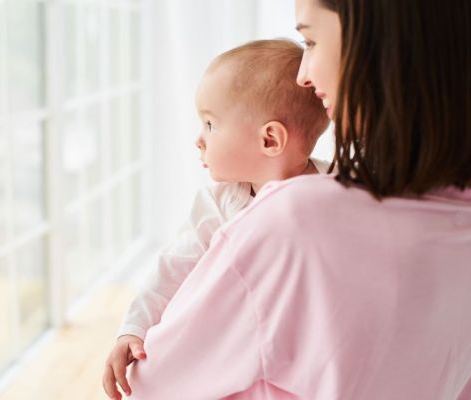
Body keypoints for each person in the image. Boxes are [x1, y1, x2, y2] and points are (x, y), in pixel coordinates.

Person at [124, 0, 471, 399]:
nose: (304, 75)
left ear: (378, 44)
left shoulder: (293, 220)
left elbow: (153, 386)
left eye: (310, 41)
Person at [102, 39, 330, 400]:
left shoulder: (338, 193)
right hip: (237, 351)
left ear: (270, 139)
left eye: (210, 124)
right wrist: (134, 328)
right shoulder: (219, 204)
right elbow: (173, 268)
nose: (199, 139)